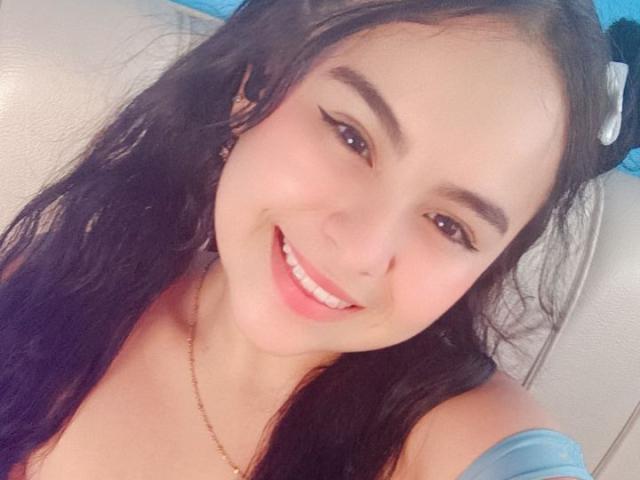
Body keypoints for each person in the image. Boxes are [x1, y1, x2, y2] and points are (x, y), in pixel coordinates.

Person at [1, 1, 638, 479]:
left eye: (450, 225)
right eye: (352, 137)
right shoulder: (64, 286)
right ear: (257, 83)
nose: (361, 250)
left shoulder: (462, 443)